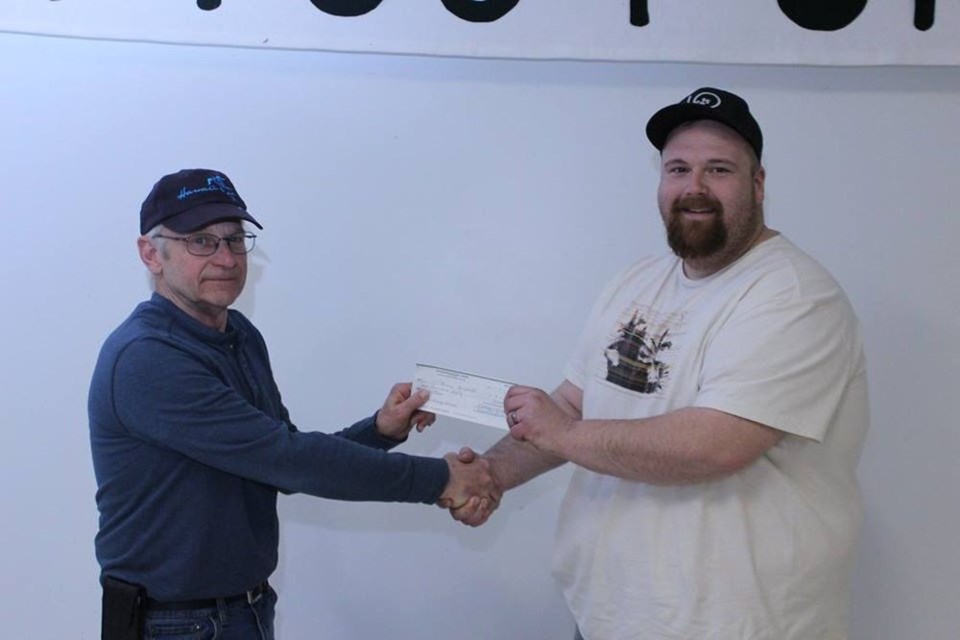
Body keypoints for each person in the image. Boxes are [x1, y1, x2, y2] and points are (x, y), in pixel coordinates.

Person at [452, 88, 869, 639]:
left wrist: (563, 433)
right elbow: (571, 404)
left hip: (736, 623)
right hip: (610, 614)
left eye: (718, 169)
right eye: (678, 168)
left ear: (758, 184)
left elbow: (715, 445)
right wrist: (490, 474)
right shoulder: (637, 281)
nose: (694, 187)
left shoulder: (792, 295)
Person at [88, 168, 500, 640]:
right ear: (150, 253)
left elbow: (280, 455)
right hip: (177, 623)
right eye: (200, 241)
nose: (225, 257)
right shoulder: (146, 358)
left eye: (234, 239)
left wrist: (381, 431)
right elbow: (287, 461)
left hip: (244, 610)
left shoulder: (239, 336)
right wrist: (442, 478)